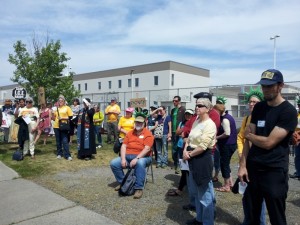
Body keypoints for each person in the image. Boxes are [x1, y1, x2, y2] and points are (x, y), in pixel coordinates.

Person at [238, 69, 297, 225]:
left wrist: (250, 135)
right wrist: (242, 166)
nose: (265, 89)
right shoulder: (259, 107)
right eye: (264, 86)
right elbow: (247, 140)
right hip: (253, 170)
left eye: (270, 86)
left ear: (280, 86)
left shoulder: (288, 111)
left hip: (274, 171)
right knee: (251, 216)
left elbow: (269, 142)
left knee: (277, 218)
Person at [183, 97, 216, 225]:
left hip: (202, 159)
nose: (197, 107)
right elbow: (189, 138)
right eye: (196, 105)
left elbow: (203, 146)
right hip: (192, 157)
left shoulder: (210, 124)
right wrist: (185, 150)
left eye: (201, 106)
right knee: (196, 191)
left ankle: (207, 222)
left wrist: (189, 155)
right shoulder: (196, 121)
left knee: (205, 193)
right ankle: (199, 219)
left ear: (208, 109)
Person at [237, 87, 266, 225]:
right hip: (245, 160)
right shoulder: (247, 118)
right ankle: (248, 220)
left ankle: (260, 222)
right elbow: (241, 137)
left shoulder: (265, 118)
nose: (251, 104)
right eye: (250, 102)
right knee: (246, 193)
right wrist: (242, 153)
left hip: (258, 161)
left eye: (255, 102)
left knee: (259, 195)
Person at [110, 112, 154, 199]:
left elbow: (147, 149)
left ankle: (138, 188)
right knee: (114, 163)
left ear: (144, 123)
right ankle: (124, 183)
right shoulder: (130, 133)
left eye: (140, 123)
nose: (138, 124)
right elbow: (123, 146)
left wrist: (137, 158)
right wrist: (122, 159)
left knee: (140, 163)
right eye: (137, 122)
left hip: (143, 157)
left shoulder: (148, 134)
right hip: (127, 156)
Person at [166, 109, 194, 196]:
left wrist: (183, 132)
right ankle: (183, 185)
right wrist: (183, 130)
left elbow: (184, 134)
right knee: (183, 166)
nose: (187, 116)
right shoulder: (182, 122)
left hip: (189, 147)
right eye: (186, 114)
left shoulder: (194, 123)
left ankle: (184, 187)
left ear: (192, 115)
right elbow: (177, 132)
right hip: (181, 145)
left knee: (189, 168)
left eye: (189, 114)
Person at [214, 102, 237, 192]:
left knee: (224, 165)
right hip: (231, 144)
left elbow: (227, 133)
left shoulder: (225, 120)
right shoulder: (228, 116)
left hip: (227, 145)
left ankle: (226, 186)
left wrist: (217, 137)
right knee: (226, 164)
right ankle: (231, 183)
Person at [52, 95, 73, 161]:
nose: (60, 102)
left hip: (64, 126)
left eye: (61, 101)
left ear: (64, 101)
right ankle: (59, 154)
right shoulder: (56, 108)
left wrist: (63, 118)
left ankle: (67, 155)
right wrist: (52, 113)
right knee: (58, 141)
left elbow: (70, 117)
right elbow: (53, 119)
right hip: (56, 126)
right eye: (59, 101)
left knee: (64, 140)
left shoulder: (67, 108)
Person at [171, 96, 186, 174]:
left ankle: (178, 166)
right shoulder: (173, 110)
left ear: (179, 101)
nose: (174, 102)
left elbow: (185, 121)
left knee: (179, 149)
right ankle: (175, 163)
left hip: (180, 133)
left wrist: (182, 131)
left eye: (176, 101)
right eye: (173, 101)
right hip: (173, 133)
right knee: (174, 150)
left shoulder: (183, 109)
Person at [289, 97, 300, 180]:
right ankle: (298, 172)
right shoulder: (297, 114)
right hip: (297, 138)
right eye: (299, 105)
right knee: (297, 156)